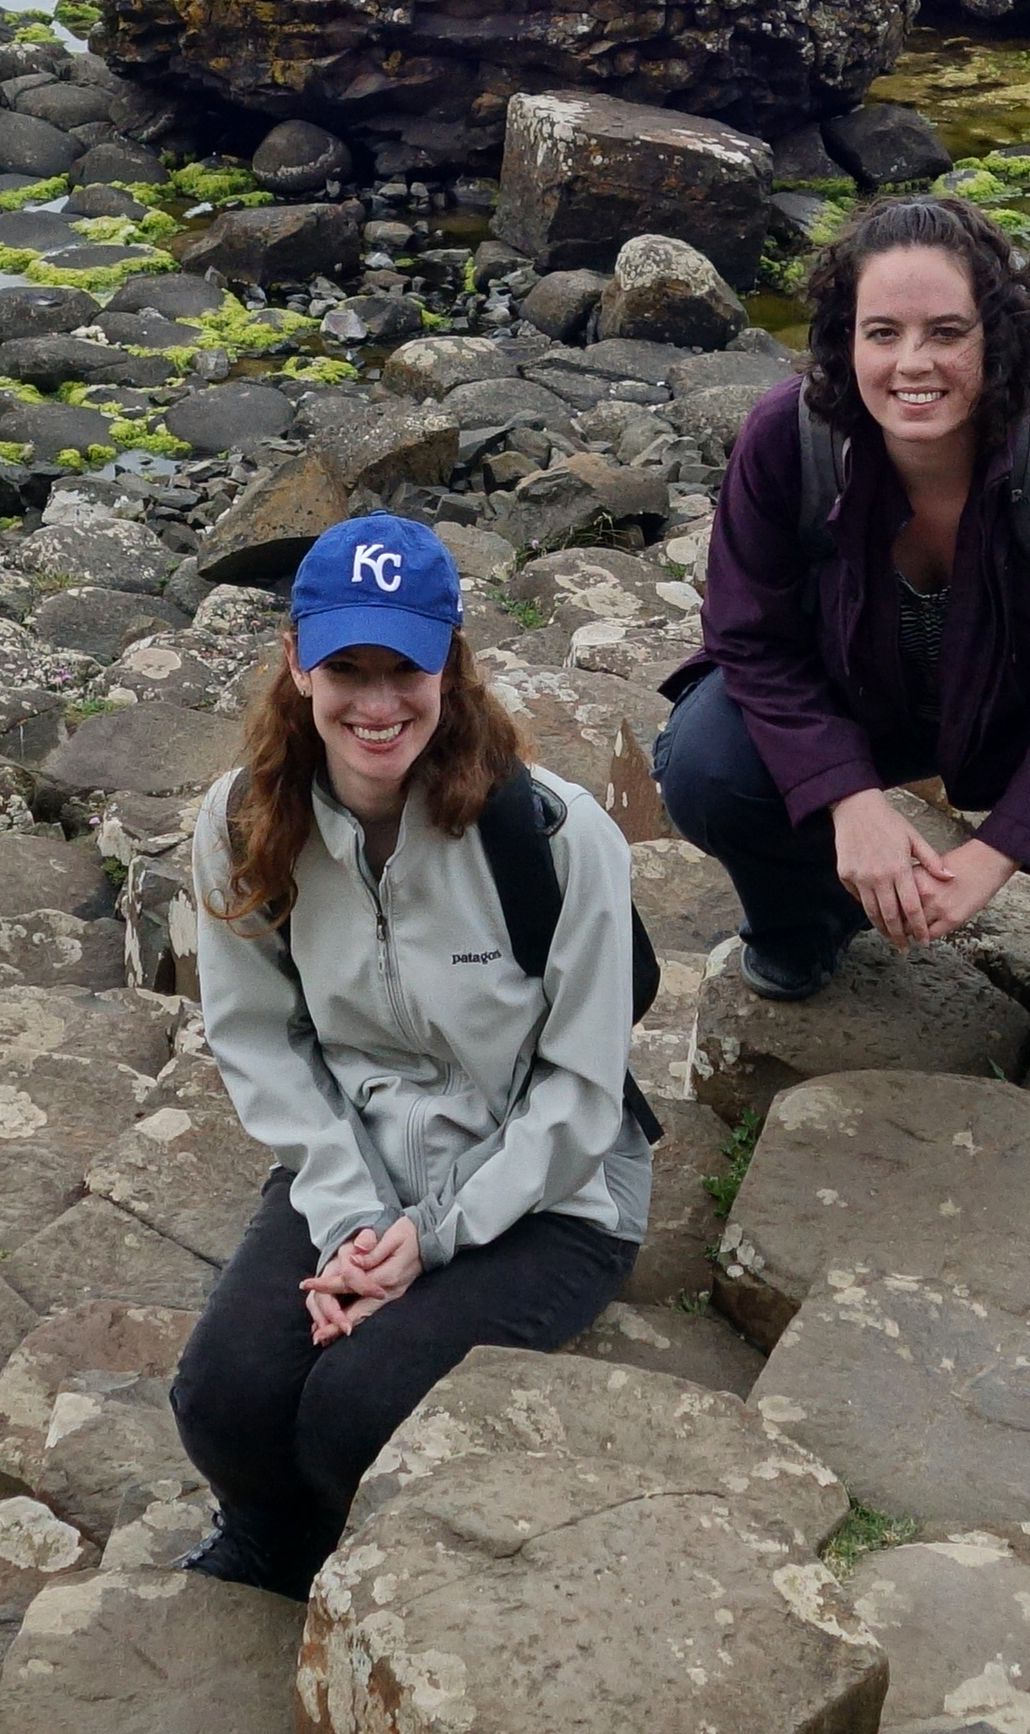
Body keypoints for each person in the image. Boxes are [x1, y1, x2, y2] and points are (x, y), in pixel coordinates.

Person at [172, 512, 648, 1598]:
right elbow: (259, 1038)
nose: (377, 703)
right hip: (365, 1161)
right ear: (297, 662)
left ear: (452, 663)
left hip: (551, 1190)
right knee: (226, 1403)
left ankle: (369, 1546)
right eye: (347, 666)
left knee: (352, 1413)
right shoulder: (242, 819)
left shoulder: (558, 836)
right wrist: (348, 1218)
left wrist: (427, 1243)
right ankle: (277, 1536)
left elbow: (583, 1087)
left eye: (406, 668)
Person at [656, 195, 1030, 1045]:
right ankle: (807, 914)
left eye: (946, 332)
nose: (911, 364)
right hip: (857, 701)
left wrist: (994, 853)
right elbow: (750, 640)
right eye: (881, 332)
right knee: (705, 763)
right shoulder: (788, 438)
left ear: (993, 338)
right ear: (843, 338)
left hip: (1021, 717)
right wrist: (849, 800)